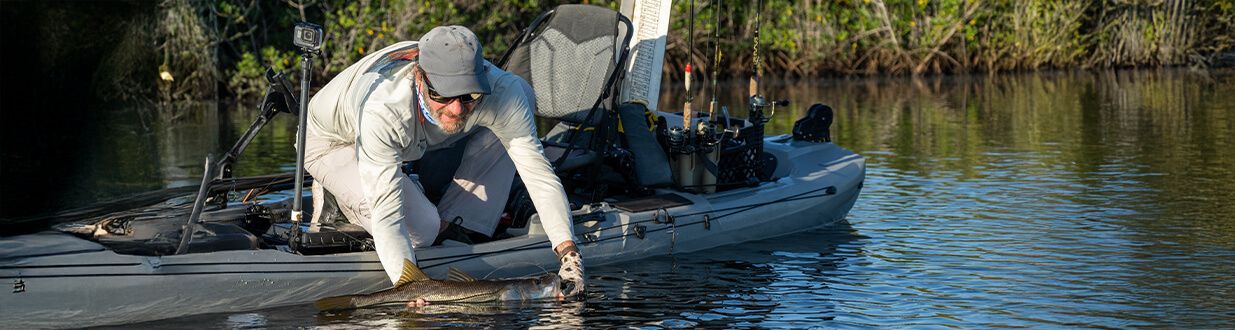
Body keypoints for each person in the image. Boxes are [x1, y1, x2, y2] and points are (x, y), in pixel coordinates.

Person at [302, 26, 585, 300]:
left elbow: (538, 174)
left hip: (412, 138)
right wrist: (412, 287)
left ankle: (454, 223)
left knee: (519, 99)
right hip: (333, 143)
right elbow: (388, 216)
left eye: (469, 96)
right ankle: (336, 197)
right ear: (419, 77)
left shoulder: (503, 91)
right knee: (422, 231)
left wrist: (568, 255)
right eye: (444, 94)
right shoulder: (385, 106)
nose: (457, 109)